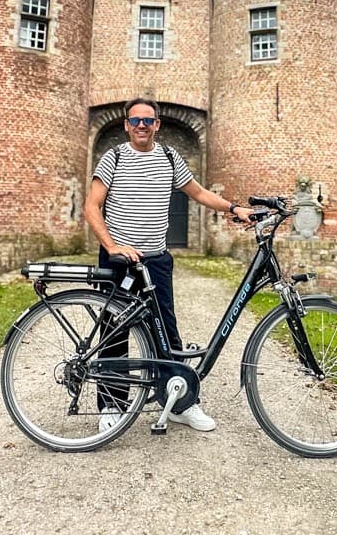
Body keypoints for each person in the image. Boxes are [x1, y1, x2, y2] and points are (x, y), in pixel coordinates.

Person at [83, 98, 251, 433]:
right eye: (135, 121)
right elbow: (92, 206)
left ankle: (178, 402)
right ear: (126, 125)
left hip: (156, 260)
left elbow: (200, 193)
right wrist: (112, 246)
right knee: (114, 333)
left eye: (148, 121)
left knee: (166, 332)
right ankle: (112, 406)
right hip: (118, 260)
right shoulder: (114, 157)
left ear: (157, 124)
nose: (141, 126)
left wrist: (234, 208)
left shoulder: (171, 158)